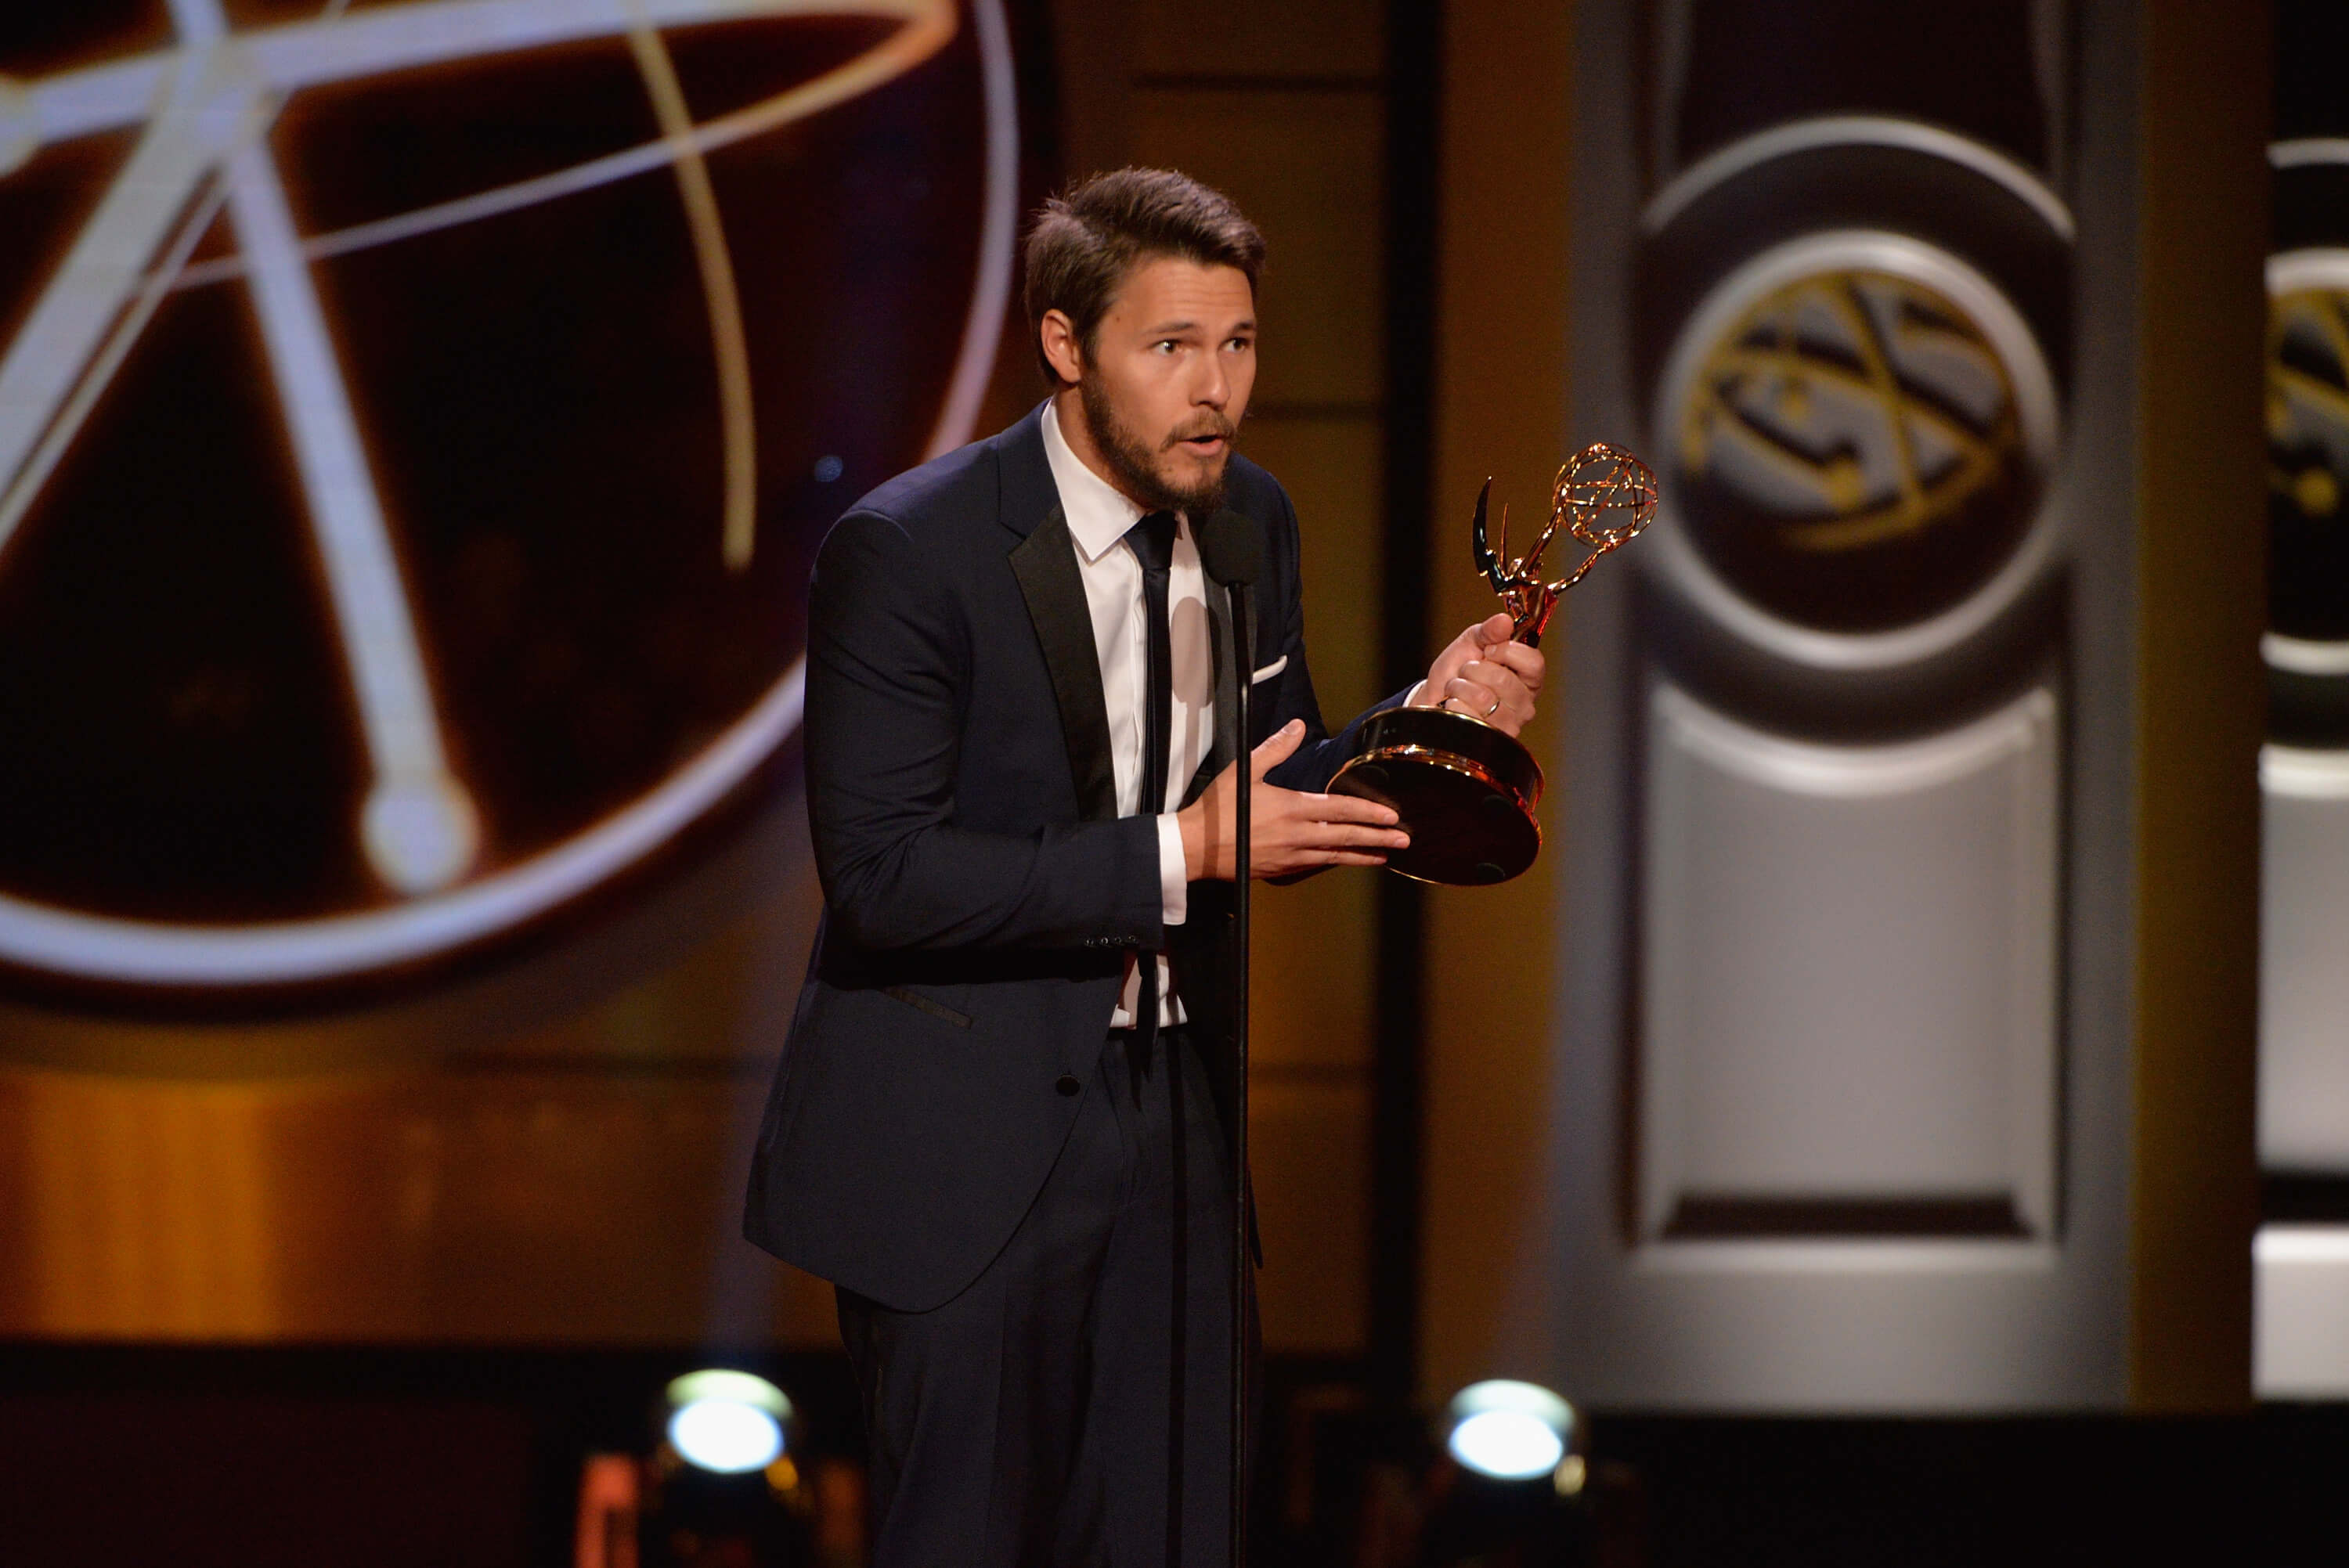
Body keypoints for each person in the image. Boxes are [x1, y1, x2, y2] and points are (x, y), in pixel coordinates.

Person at [744, 167, 1543, 1567]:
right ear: (1066, 346)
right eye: (1171, 348)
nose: (1216, 390)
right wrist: (1182, 851)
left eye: (1237, 346)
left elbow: (1263, 794)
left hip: (1174, 1124)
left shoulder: (1252, 524)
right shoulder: (910, 551)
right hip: (964, 1137)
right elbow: (885, 878)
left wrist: (1422, 720)